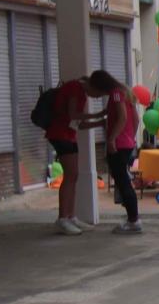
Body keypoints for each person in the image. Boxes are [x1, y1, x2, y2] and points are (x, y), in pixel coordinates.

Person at [84, 70, 142, 234]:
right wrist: (130, 137)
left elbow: (122, 118)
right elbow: (135, 119)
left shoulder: (116, 94)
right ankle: (133, 218)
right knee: (123, 180)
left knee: (122, 181)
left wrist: (112, 139)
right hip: (127, 143)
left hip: (118, 144)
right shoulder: (125, 92)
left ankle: (133, 219)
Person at [43, 71, 91, 233]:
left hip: (69, 135)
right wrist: (98, 115)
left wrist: (99, 121)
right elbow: (73, 115)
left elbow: (78, 123)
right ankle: (63, 218)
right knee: (70, 176)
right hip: (61, 134)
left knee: (73, 175)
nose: (96, 97)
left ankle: (70, 216)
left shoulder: (79, 91)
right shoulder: (75, 88)